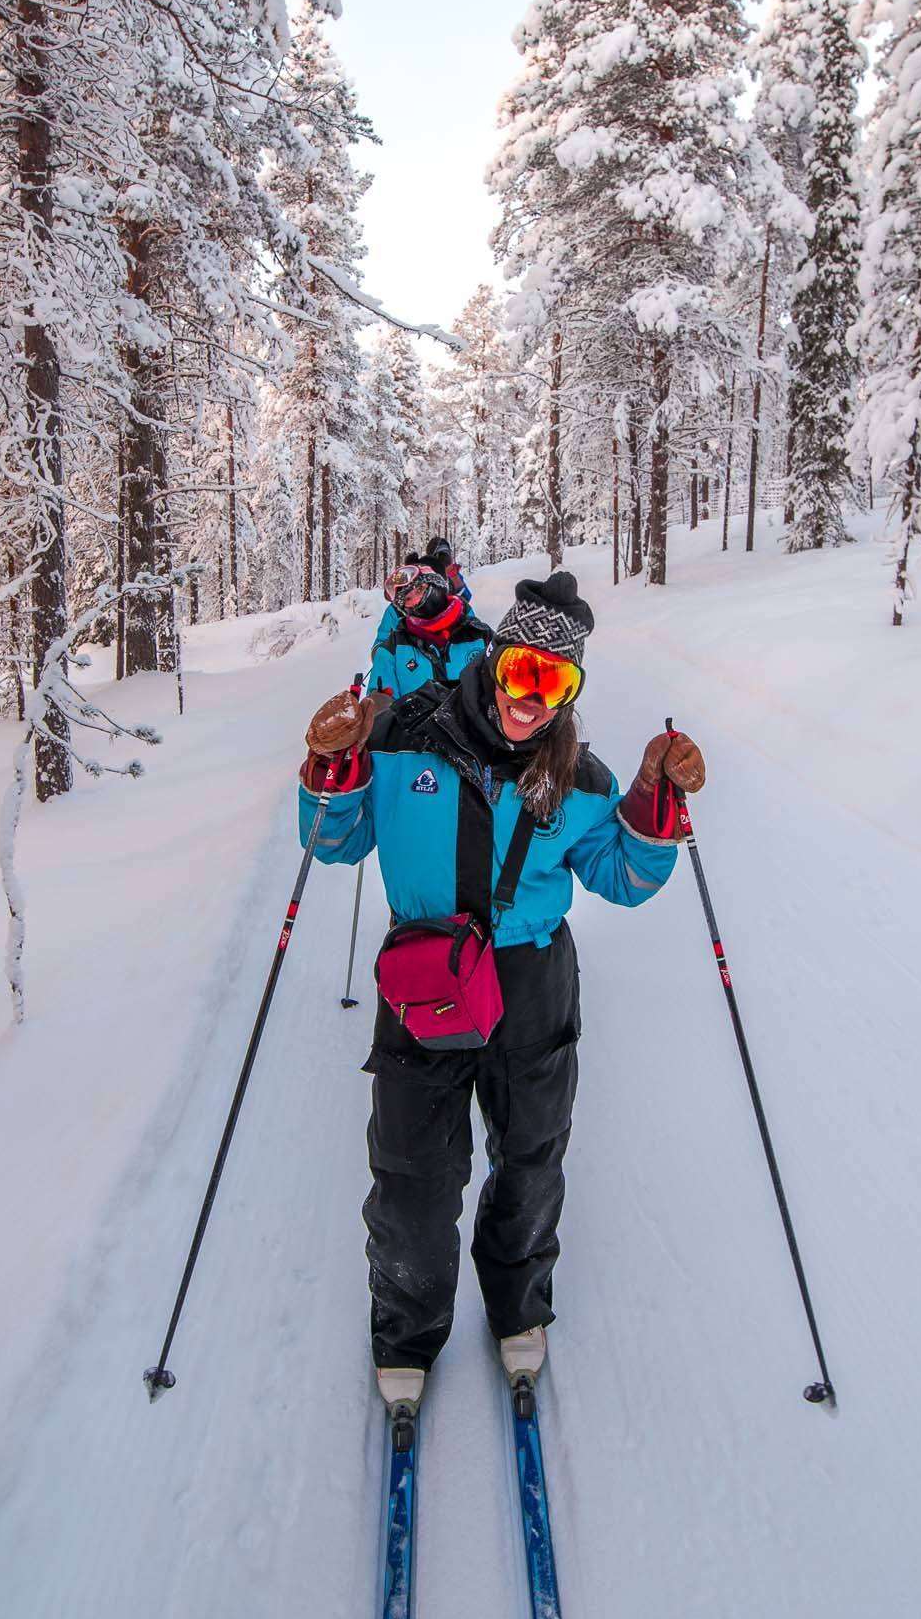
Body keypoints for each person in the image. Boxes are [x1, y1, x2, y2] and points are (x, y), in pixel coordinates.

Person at [299, 569, 706, 1413]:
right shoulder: (404, 737)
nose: (533, 697)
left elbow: (623, 877)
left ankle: (518, 1304)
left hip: (529, 986)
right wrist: (332, 768)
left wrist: (654, 800)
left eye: (556, 682)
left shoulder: (579, 780)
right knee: (413, 1174)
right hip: (425, 976)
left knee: (529, 1161)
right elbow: (335, 844)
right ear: (496, 658)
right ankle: (407, 1327)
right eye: (523, 670)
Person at [367, 553, 488, 700]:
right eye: (408, 598)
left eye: (420, 589)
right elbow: (381, 712)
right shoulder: (391, 650)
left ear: (438, 585)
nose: (417, 600)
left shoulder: (481, 636)